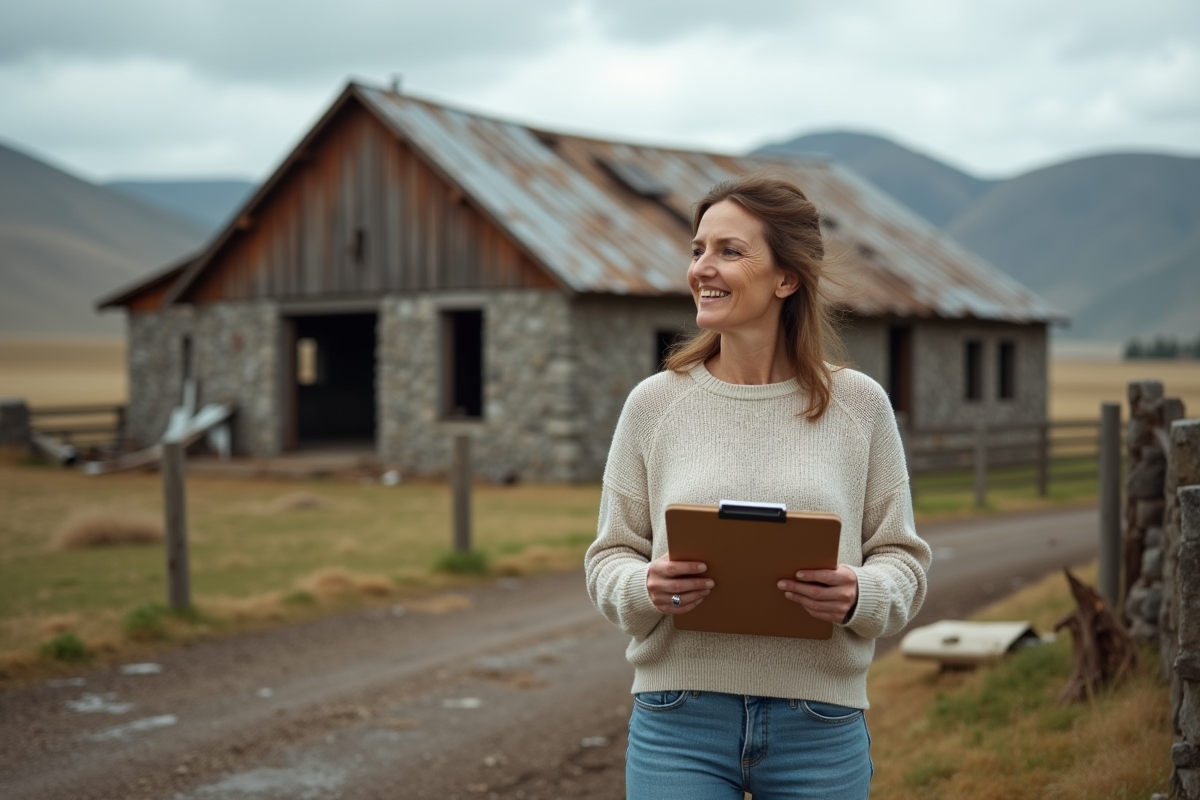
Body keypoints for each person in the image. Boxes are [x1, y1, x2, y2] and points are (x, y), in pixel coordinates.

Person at [584, 173, 931, 800]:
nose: (702, 268)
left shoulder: (859, 407)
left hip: (820, 727)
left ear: (786, 278)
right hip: (678, 719)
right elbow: (608, 556)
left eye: (729, 251)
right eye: (697, 250)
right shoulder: (654, 405)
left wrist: (861, 593)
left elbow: (903, 560)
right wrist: (644, 584)